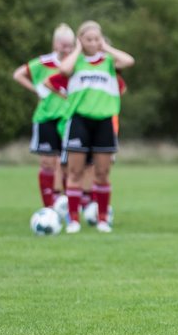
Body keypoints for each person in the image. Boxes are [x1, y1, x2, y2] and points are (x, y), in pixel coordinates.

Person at [53, 21, 135, 234]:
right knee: (75, 171)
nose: (93, 42)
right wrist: (78, 49)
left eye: (96, 38)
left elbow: (129, 61)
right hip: (79, 121)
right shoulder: (75, 61)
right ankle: (73, 220)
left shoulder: (108, 61)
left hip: (104, 122)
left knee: (102, 172)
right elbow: (63, 69)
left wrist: (105, 48)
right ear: (80, 40)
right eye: (88, 39)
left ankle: (102, 219)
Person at [11, 24, 76, 207]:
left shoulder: (74, 65)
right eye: (64, 45)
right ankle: (48, 207)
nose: (68, 49)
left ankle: (66, 204)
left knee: (66, 164)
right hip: (46, 117)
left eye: (70, 45)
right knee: (48, 163)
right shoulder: (44, 63)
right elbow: (18, 75)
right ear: (55, 44)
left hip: (68, 119)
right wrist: (37, 90)